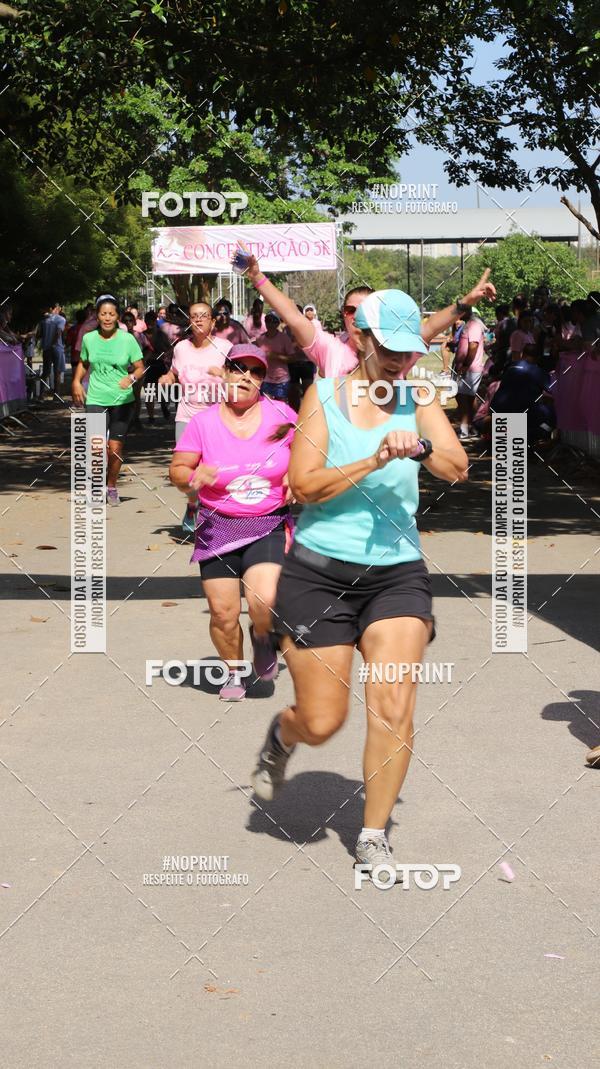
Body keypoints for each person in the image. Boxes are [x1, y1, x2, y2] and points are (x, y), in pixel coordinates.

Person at [250, 289, 468, 882]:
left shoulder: (419, 397)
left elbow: (457, 466)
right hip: (319, 574)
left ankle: (373, 836)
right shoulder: (323, 395)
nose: (400, 360)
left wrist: (421, 447)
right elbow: (304, 485)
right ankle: (284, 734)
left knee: (393, 702)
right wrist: (374, 459)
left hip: (396, 574)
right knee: (323, 722)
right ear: (360, 339)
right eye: (389, 348)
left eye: (409, 350)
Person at [169, 343, 297, 701]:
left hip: (267, 523)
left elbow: (311, 450)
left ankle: (263, 635)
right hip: (218, 527)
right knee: (223, 613)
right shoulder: (203, 422)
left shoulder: (282, 414)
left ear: (263, 379)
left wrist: (296, 474)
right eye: (238, 368)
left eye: (255, 371)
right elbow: (178, 469)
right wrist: (191, 478)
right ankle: (234, 672)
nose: (245, 377)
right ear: (224, 373)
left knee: (264, 600)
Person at [242, 251, 496, 378]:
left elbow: (429, 328)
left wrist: (466, 302)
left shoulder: (397, 349)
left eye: (365, 311)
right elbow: (293, 316)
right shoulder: (329, 348)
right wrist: (257, 277)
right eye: (350, 310)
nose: (357, 317)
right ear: (343, 315)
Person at [159, 302, 232, 533]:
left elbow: (239, 379)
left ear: (213, 321)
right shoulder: (181, 348)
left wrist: (223, 375)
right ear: (189, 321)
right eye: (194, 316)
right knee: (184, 469)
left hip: (216, 418)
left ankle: (217, 513)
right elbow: (174, 372)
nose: (199, 320)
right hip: (187, 416)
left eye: (204, 316)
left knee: (213, 467)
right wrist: (168, 378)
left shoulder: (226, 347)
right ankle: (193, 504)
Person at [71, 295, 145, 505]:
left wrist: (130, 378)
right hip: (96, 397)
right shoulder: (89, 338)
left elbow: (140, 368)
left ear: (117, 316)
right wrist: (76, 382)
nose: (107, 318)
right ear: (97, 316)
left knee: (114, 448)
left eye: (111, 314)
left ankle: (111, 486)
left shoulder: (127, 339)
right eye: (103, 314)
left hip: (122, 401)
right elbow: (84, 362)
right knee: (96, 447)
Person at [452, 305, 487, 439]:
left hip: (470, 368)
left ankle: (465, 429)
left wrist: (466, 365)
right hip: (467, 368)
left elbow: (473, 345)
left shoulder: (473, 325)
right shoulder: (469, 324)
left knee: (463, 398)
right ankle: (473, 428)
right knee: (467, 398)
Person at [257, 311, 297, 401]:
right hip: (266, 378)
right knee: (267, 405)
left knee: (281, 406)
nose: (270, 323)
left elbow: (293, 358)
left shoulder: (284, 338)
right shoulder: (260, 339)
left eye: (274, 321)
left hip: (282, 379)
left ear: (278, 323)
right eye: (268, 320)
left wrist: (277, 356)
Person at [37, 301, 66, 397]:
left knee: (45, 372)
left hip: (46, 348)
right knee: (57, 372)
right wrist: (53, 344)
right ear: (56, 308)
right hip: (57, 348)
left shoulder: (44, 321)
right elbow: (58, 332)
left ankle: (41, 395)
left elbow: (39, 335)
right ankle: (56, 395)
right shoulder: (61, 319)